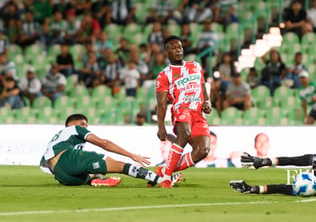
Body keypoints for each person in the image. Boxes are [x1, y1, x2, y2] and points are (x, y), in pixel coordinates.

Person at [39, 113, 182, 187]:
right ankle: (161, 179)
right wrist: (131, 155)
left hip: (62, 177)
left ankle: (95, 180)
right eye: (83, 124)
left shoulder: (57, 140)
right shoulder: (74, 129)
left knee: (91, 170)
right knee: (120, 166)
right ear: (71, 124)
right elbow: (104, 143)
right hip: (69, 159)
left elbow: (45, 165)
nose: (85, 127)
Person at [230, 132, 316, 196]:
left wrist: (253, 189)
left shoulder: (312, 189)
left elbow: (282, 188)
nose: (307, 171)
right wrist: (263, 162)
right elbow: (297, 160)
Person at [155, 35, 212, 188]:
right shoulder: (164, 75)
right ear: (167, 52)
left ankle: (163, 170)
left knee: (203, 150)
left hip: (198, 113)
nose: (178, 50)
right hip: (181, 110)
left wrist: (207, 102)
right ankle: (166, 178)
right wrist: (161, 126)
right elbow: (161, 103)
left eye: (179, 47)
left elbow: (202, 87)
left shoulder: (196, 66)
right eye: (173, 48)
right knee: (184, 134)